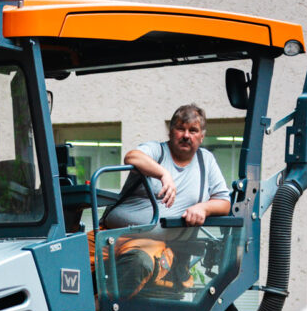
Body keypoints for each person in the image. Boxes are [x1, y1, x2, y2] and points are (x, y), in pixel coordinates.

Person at [97, 104, 232, 296]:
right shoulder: (157, 151)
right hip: (108, 235)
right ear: (171, 132)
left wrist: (204, 208)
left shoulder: (206, 161)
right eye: (180, 128)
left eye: (193, 130)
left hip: (149, 242)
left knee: (138, 262)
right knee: (63, 258)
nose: (186, 135)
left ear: (201, 136)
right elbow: (132, 156)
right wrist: (163, 174)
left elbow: (224, 203)